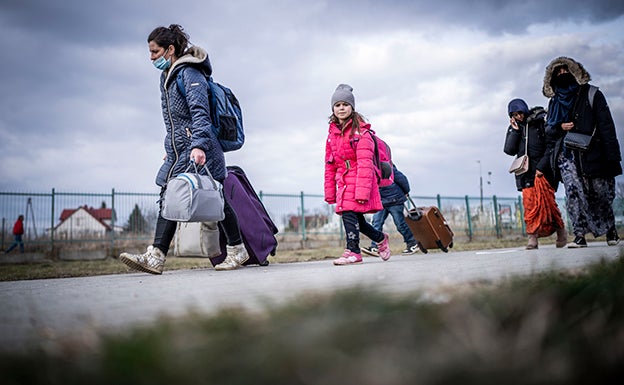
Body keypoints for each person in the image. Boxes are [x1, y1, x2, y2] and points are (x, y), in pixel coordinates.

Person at [119, 24, 249, 274]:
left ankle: (236, 249)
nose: (151, 58)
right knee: (170, 196)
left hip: (201, 148)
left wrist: (199, 145)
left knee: (217, 199)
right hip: (180, 149)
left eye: (155, 52)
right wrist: (170, 146)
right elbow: (174, 122)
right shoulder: (166, 77)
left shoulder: (189, 73)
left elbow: (199, 114)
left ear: (170, 49)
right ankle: (157, 255)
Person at [542, 56, 622, 248]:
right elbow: (548, 131)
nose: (562, 75)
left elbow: (607, 127)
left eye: (566, 71)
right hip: (567, 156)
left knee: (600, 193)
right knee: (573, 194)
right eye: (558, 73)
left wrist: (613, 158)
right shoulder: (554, 103)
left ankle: (610, 231)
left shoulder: (592, 94)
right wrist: (560, 127)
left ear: (575, 73)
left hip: (594, 153)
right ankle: (579, 235)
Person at [324, 84, 391, 265]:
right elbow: (329, 164)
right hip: (343, 180)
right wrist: (330, 192)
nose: (341, 108)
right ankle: (380, 238)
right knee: (357, 221)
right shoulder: (332, 135)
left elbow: (365, 163)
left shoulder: (361, 133)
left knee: (348, 213)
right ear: (333, 109)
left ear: (352, 107)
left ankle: (353, 251)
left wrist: (362, 192)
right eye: (337, 105)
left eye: (345, 104)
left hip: (359, 179)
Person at [503, 98, 567, 249]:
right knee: (529, 205)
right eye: (514, 114)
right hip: (525, 173)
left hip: (543, 171)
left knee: (548, 204)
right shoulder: (514, 127)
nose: (518, 116)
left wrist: (542, 167)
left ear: (524, 109)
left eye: (519, 113)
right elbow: (509, 150)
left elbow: (550, 145)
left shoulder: (540, 121)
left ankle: (560, 230)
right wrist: (515, 131)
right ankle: (532, 237)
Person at [361, 165, 425, 256]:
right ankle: (375, 246)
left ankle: (412, 243)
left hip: (395, 199)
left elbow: (402, 179)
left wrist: (406, 191)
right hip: (381, 201)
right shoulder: (369, 169)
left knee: (400, 224)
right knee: (376, 222)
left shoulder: (388, 167)